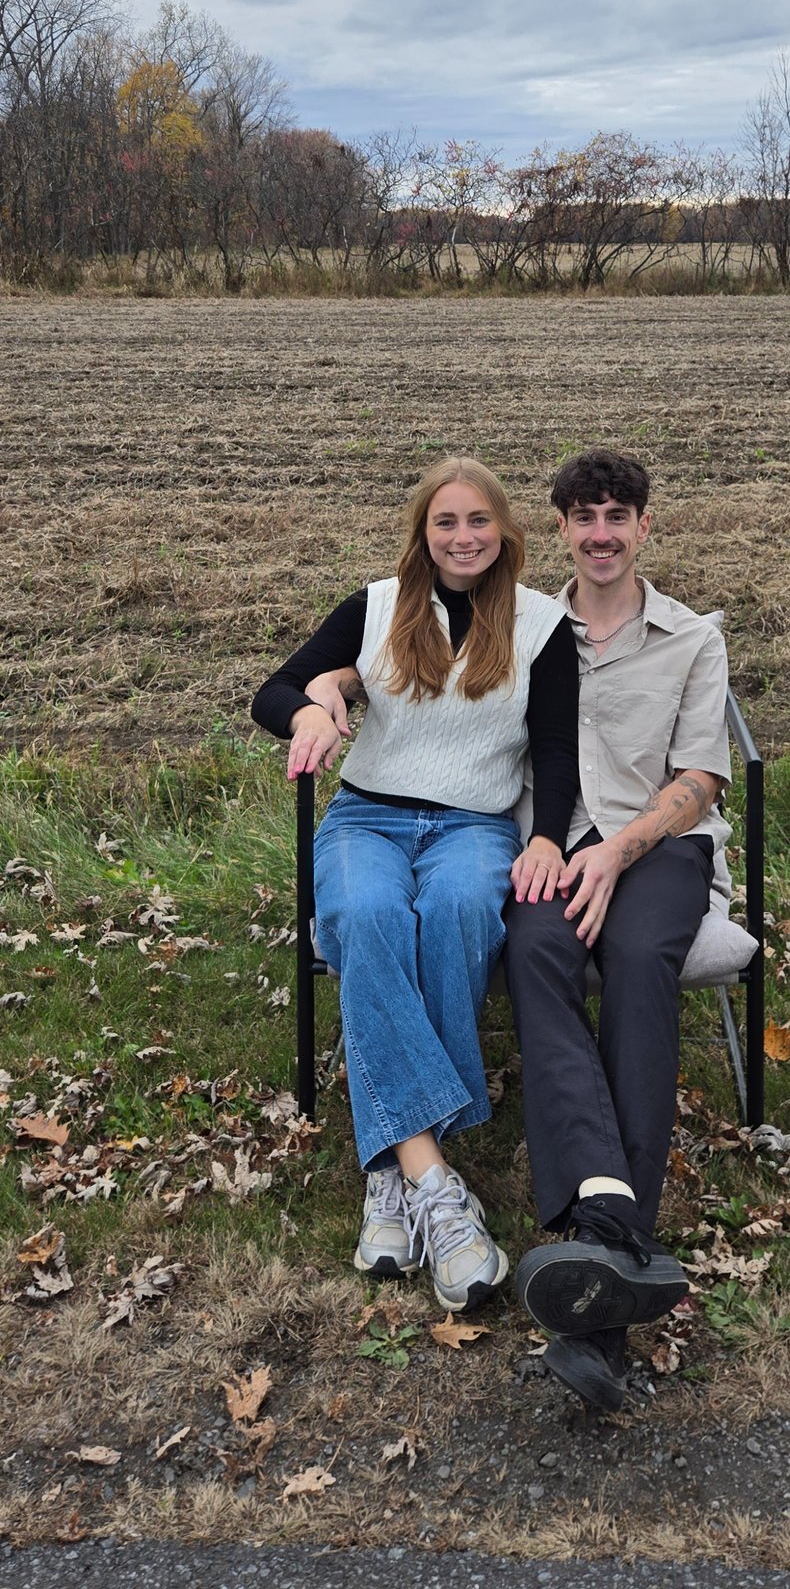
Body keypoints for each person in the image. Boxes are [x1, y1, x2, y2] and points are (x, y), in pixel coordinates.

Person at [251, 457, 579, 1313]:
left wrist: (543, 836)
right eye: (445, 523)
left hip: (474, 827)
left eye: (478, 521)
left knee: (462, 910)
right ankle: (432, 1181)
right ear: (422, 533)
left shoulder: (542, 624)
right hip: (367, 817)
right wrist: (314, 710)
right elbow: (275, 688)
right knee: (360, 916)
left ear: (503, 531)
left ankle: (392, 1174)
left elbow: (554, 748)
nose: (463, 537)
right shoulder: (375, 606)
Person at [505, 449, 732, 1411]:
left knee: (640, 958)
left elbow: (701, 782)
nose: (600, 532)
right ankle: (614, 1230)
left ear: (646, 525)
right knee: (533, 952)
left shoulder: (692, 637)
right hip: (551, 846)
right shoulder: (520, 630)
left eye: (617, 515)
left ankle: (603, 1251)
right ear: (558, 527)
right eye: (583, 515)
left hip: (660, 849)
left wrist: (619, 851)